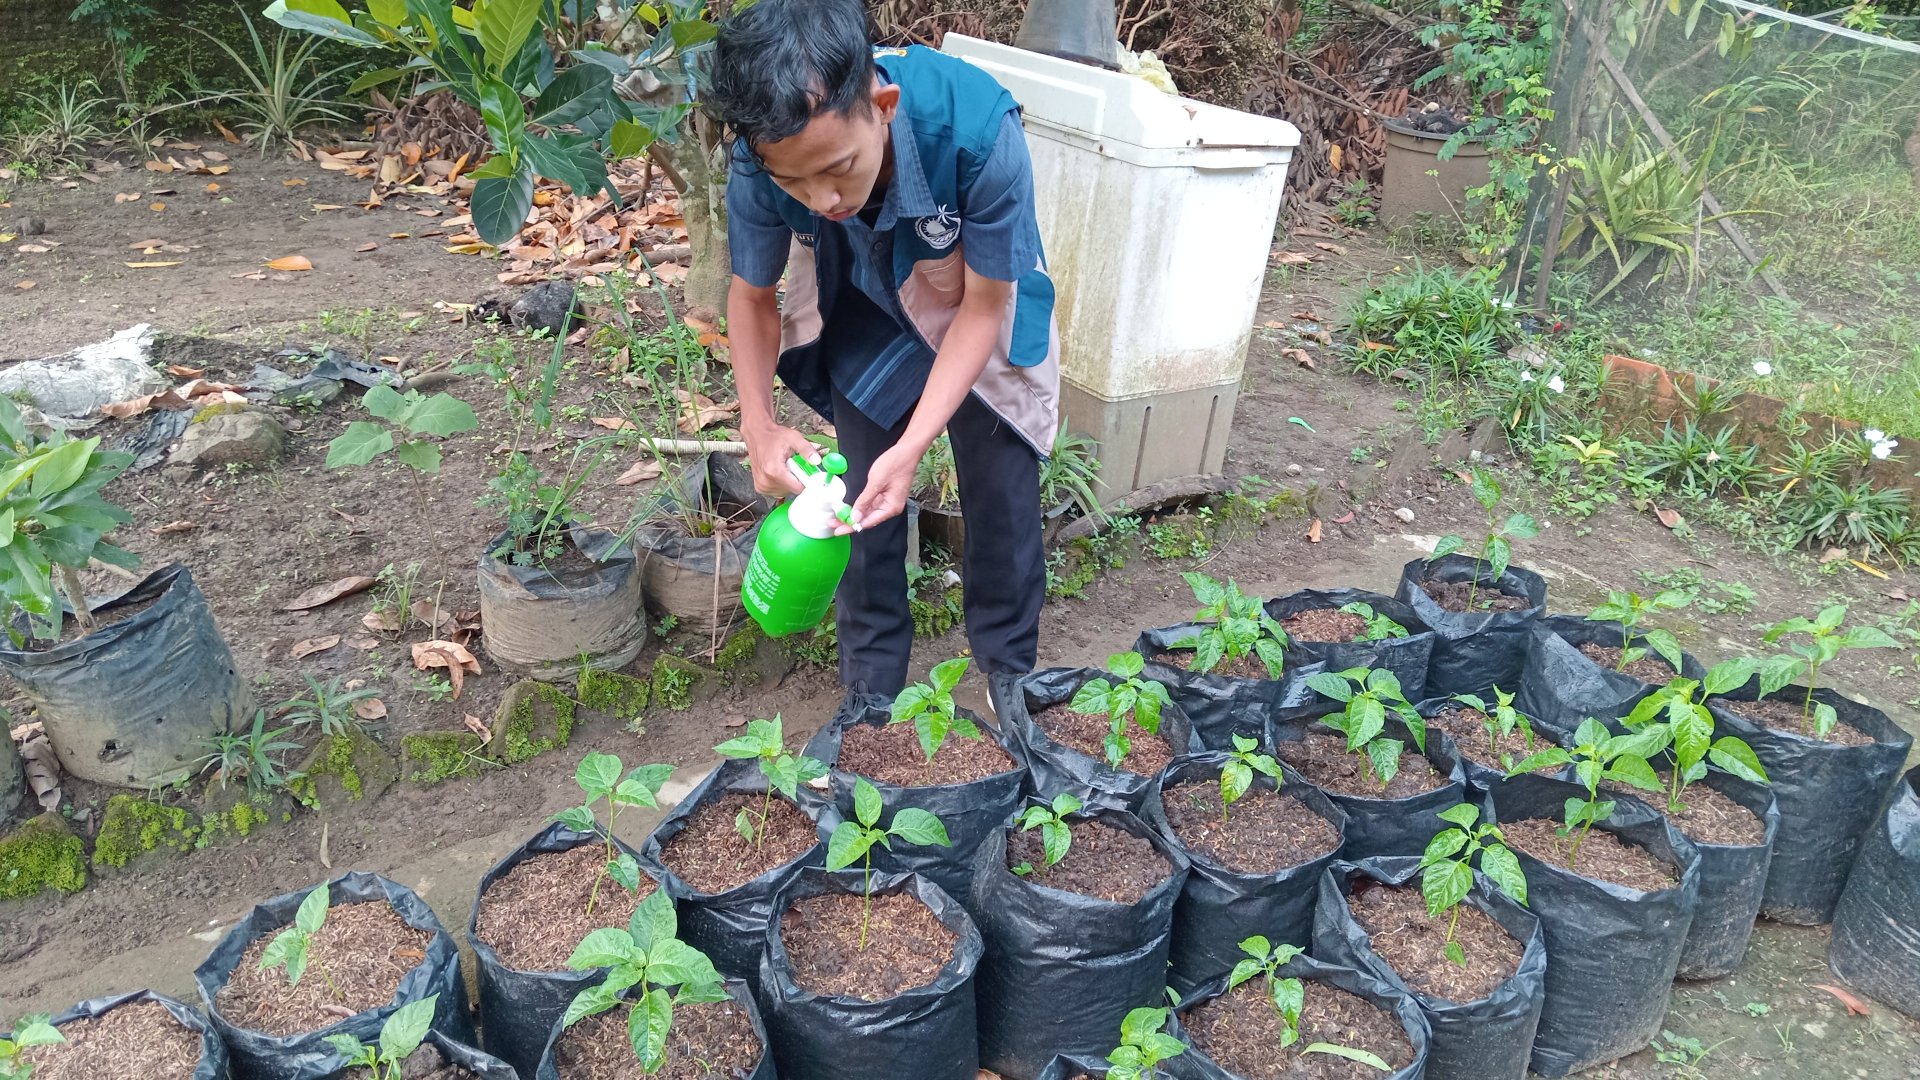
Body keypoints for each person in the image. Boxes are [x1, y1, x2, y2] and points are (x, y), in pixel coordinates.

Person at [708, 0, 1060, 698]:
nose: (822, 197)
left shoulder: (977, 128)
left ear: (884, 104)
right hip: (864, 298)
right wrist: (757, 421)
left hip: (971, 301)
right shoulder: (760, 155)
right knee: (859, 502)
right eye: (794, 182)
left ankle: (1008, 677)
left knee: (1002, 501)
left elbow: (985, 306)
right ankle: (871, 695)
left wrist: (916, 446)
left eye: (838, 167)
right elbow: (751, 297)